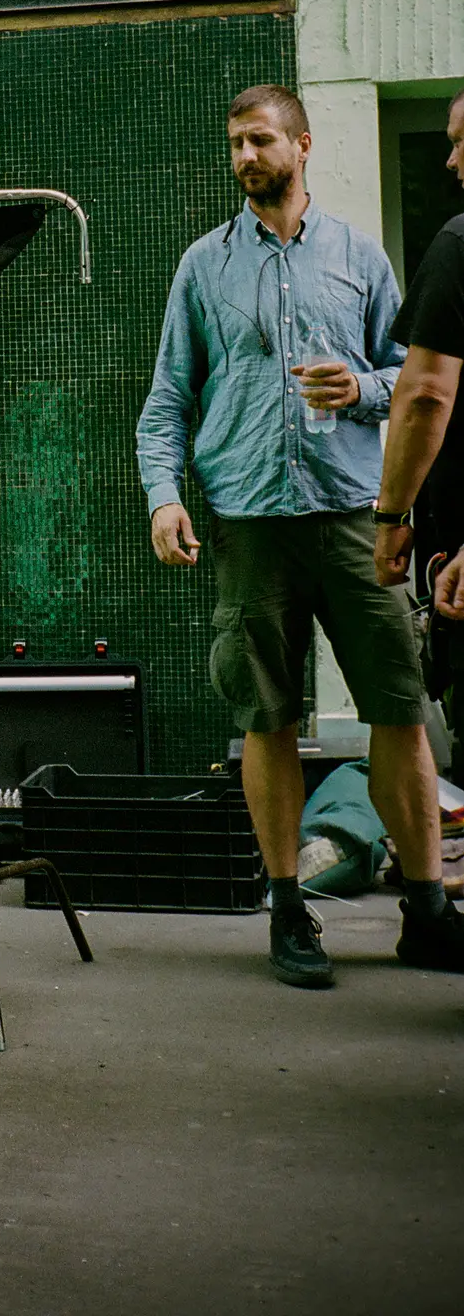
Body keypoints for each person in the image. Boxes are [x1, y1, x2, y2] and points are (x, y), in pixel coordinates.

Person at [136, 85, 464, 988]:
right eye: (234, 143)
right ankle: (286, 908)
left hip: (356, 520)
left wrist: (356, 389)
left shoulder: (360, 255)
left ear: (303, 146)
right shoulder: (203, 266)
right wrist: (164, 496)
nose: (244, 156)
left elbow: (414, 375)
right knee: (264, 718)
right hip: (247, 526)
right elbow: (166, 401)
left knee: (398, 709)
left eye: (259, 140)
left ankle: (426, 910)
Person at [373, 85, 464, 801]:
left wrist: (390, 515)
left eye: (462, 142)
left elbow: (424, 393)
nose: (451, 161)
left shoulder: (458, 245)